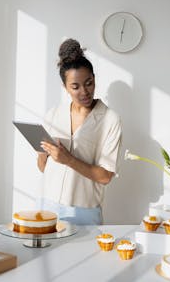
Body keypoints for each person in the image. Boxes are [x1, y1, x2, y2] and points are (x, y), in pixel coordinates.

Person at [37, 39, 122, 225]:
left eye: (89, 83)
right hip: (48, 205)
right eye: (75, 87)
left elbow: (106, 176)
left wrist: (68, 159)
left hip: (85, 211)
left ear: (94, 78)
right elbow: (43, 166)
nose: (84, 91)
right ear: (65, 87)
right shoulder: (54, 114)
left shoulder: (110, 120)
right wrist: (43, 153)